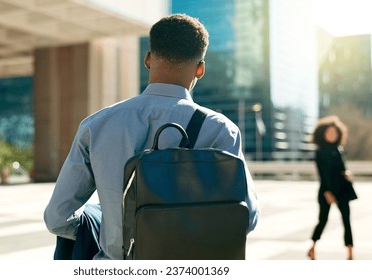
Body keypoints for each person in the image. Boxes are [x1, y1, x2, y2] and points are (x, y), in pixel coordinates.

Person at [44, 13, 259, 260]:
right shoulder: (221, 130)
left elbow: (57, 219)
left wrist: (113, 230)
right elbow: (246, 220)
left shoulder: (96, 125)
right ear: (200, 69)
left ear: (147, 59)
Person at [307, 116, 357, 260]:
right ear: (322, 134)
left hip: (342, 190)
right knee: (322, 220)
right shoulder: (320, 152)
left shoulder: (339, 150)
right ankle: (312, 247)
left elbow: (342, 169)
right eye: (329, 132)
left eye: (334, 133)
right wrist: (328, 192)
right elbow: (322, 175)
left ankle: (350, 253)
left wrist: (347, 174)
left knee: (346, 221)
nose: (332, 135)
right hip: (326, 191)